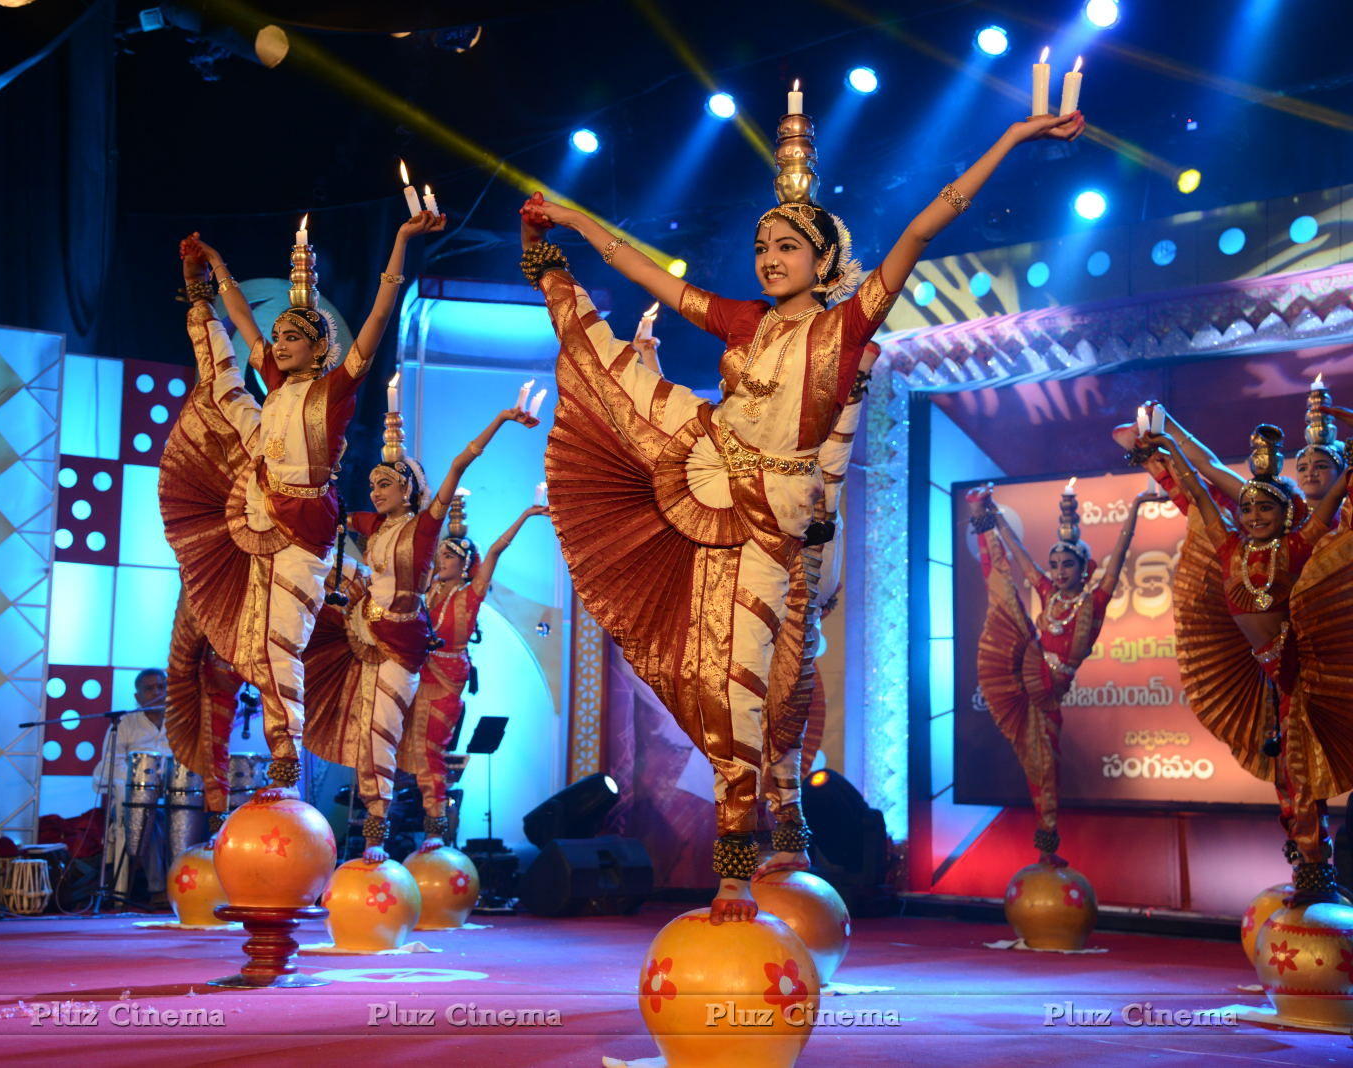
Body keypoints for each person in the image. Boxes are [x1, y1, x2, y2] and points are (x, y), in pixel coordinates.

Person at [520, 104, 1084, 921]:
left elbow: (928, 226)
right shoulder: (743, 323)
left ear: (826, 261)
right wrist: (571, 221)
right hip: (712, 478)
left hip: (784, 518)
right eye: (760, 246)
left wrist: (1010, 138)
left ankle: (761, 848)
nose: (768, 259)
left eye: (787, 246)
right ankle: (736, 871)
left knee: (767, 686)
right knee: (724, 684)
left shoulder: (847, 327)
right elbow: (649, 276)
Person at [160, 212, 445, 811]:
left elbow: (377, 316)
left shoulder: (335, 390)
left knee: (279, 647)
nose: (279, 343)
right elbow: (242, 317)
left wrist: (399, 242)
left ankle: (288, 772)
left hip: (303, 531)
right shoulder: (275, 382)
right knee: (257, 647)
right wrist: (209, 272)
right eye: (279, 337)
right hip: (256, 511)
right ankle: (276, 767)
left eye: (293, 337)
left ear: (320, 348)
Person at [304, 406, 538, 862]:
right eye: (372, 485)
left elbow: (458, 466)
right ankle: (373, 829)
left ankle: (389, 835)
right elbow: (340, 517)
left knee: (397, 741)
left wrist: (501, 420)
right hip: (365, 635)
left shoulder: (425, 529)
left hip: (409, 650)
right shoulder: (377, 528)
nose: (375, 493)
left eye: (385, 485)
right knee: (371, 736)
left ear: (408, 488)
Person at [1148, 423, 1352, 902]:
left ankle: (1317, 875)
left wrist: (1346, 476)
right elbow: (1200, 494)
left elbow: (1331, 504)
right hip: (1264, 674)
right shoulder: (1229, 548)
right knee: (1285, 772)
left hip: (1304, 668)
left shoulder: (1298, 546)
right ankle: (1309, 867)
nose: (1254, 515)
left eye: (1265, 507)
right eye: (1247, 507)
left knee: (1300, 770)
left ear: (1285, 514)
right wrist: (1169, 448)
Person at [968, 482, 1155, 866]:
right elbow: (1020, 559)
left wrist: (1135, 506)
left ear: (1083, 568)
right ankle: (980, 517)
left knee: (1046, 769)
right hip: (1022, 677)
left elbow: (1118, 557)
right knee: (1004, 588)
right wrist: (997, 518)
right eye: (1053, 564)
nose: (1057, 571)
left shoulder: (1094, 602)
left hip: (1049, 694)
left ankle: (1047, 847)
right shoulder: (1048, 593)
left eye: (1066, 564)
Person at [404, 497, 549, 852]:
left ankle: (436, 831)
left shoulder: (471, 595)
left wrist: (525, 515)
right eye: (441, 554)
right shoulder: (428, 592)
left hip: (447, 675)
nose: (442, 560)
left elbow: (497, 550)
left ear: (466, 563)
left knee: (430, 752)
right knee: (399, 747)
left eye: (450, 555)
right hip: (415, 671)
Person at [90, 668, 171, 899]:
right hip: (136, 797)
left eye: (161, 687)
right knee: (149, 815)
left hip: (174, 793)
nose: (157, 692)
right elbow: (110, 764)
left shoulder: (181, 721)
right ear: (137, 697)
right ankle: (159, 889)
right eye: (149, 689)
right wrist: (145, 782)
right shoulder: (125, 723)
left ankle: (190, 885)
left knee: (192, 812)